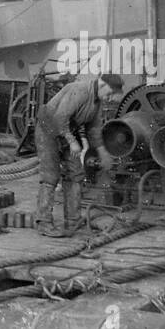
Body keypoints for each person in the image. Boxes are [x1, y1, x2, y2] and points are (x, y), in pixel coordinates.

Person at [35, 73, 124, 237]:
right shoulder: (80, 90)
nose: (109, 98)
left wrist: (103, 152)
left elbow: (94, 130)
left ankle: (73, 220)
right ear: (102, 85)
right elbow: (60, 116)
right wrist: (72, 141)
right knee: (50, 176)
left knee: (76, 174)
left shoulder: (97, 101)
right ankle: (44, 223)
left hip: (66, 131)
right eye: (109, 93)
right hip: (47, 130)